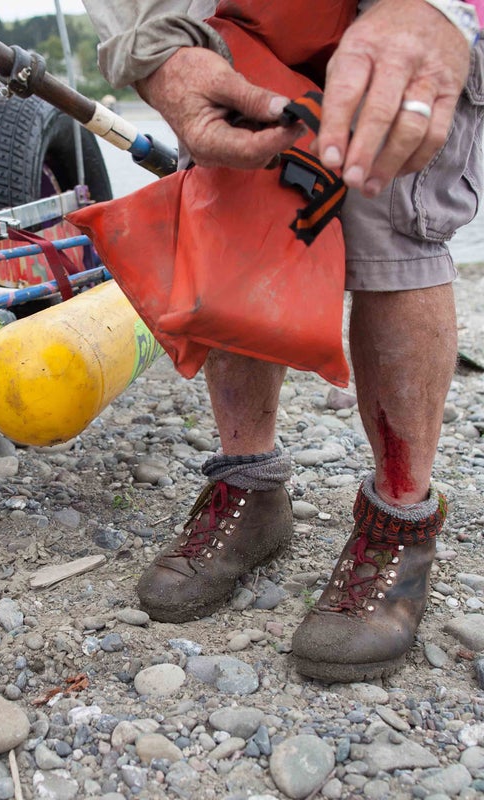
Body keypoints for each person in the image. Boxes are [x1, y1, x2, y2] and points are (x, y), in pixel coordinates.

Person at [81, 0, 483, 683]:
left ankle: (400, 522)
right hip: (245, 21)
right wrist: (154, 45)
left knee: (396, 229)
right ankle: (251, 489)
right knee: (238, 212)